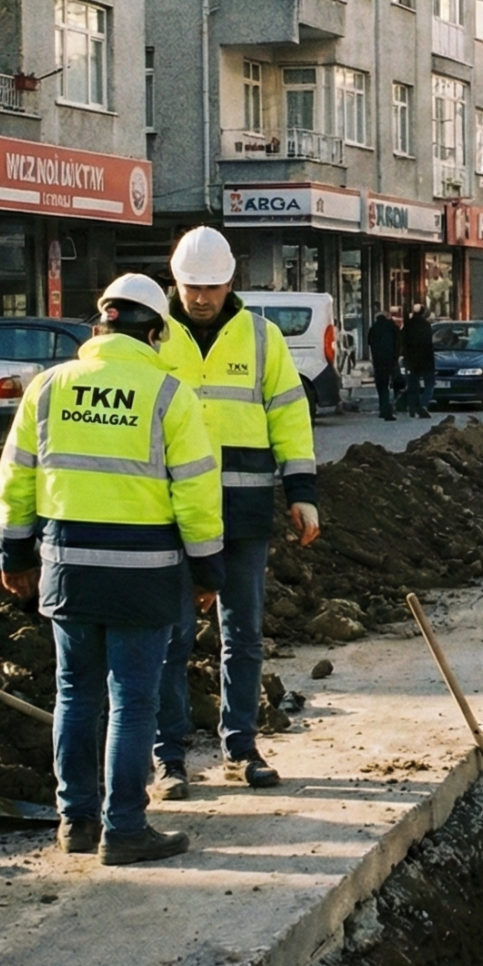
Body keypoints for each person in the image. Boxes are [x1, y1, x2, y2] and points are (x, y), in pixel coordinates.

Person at [0, 274, 224, 866]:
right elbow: (197, 496)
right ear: (153, 333)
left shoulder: (47, 388)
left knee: (74, 696)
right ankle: (124, 829)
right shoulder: (169, 394)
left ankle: (76, 823)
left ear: (100, 326)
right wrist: (206, 573)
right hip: (144, 574)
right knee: (132, 701)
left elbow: (16, 479)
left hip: (67, 565)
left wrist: (15, 555)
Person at [152, 227, 321, 797]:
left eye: (213, 287)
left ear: (231, 283)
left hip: (242, 510)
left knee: (242, 633)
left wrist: (302, 492)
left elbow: (289, 415)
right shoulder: (149, 334)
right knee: (171, 636)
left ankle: (240, 746)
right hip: (169, 510)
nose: (202, 298)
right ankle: (168, 758)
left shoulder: (260, 336)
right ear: (175, 282)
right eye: (192, 287)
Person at [365, 305, 402, 421]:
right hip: (391, 360)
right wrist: (396, 356)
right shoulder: (392, 327)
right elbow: (398, 342)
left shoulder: (374, 328)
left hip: (378, 361)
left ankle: (383, 408)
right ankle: (390, 408)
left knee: (381, 385)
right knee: (392, 384)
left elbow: (369, 342)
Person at [400, 304, 437, 416]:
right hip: (426, 360)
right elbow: (429, 345)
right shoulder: (426, 326)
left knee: (413, 384)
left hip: (411, 361)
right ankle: (423, 405)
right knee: (430, 383)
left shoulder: (408, 325)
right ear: (423, 313)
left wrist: (405, 357)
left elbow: (403, 342)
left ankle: (412, 407)